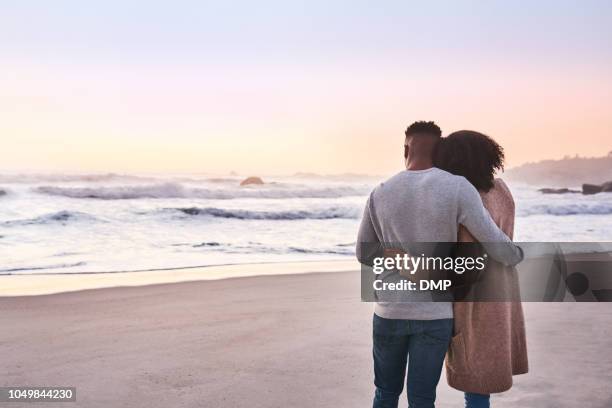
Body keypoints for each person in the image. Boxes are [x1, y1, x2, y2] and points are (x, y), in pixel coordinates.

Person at [356, 121, 523, 408]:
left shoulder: (380, 191)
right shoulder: (462, 189)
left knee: (385, 392)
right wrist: (516, 253)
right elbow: (495, 245)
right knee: (423, 399)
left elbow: (363, 252)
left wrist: (396, 257)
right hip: (437, 313)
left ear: (406, 147)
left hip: (389, 309)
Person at [433, 130, 528, 408]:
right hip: (503, 283)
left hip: (472, 290)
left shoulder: (462, 195)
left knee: (473, 369)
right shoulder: (502, 189)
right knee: (483, 372)